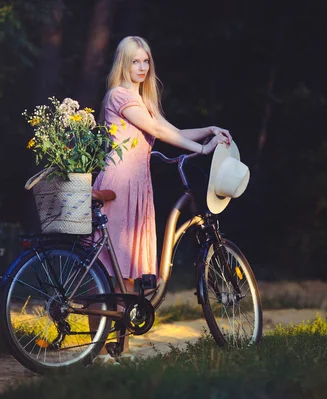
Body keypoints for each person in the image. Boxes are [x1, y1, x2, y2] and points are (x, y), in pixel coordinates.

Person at [90, 36, 231, 356]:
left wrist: (208, 130)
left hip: (139, 186)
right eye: (134, 62)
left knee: (125, 274)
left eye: (145, 61)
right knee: (110, 268)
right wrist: (202, 149)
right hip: (121, 183)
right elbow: (164, 134)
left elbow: (171, 130)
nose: (141, 68)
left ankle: (116, 350)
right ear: (122, 64)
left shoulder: (143, 100)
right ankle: (96, 350)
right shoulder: (119, 95)